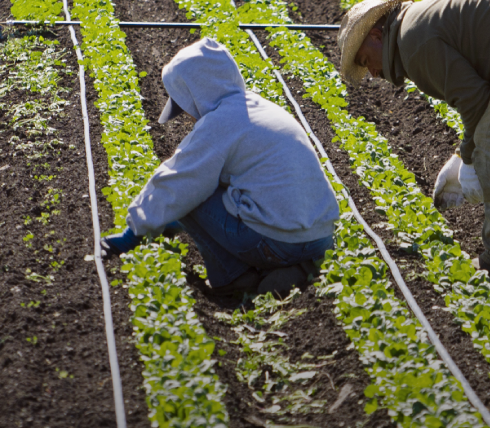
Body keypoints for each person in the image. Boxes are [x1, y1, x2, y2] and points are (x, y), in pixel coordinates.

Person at [101, 38, 340, 300]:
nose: (189, 116)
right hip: (321, 238)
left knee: (190, 194)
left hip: (277, 243)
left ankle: (234, 277)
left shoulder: (220, 124)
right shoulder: (260, 108)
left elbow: (179, 182)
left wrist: (134, 231)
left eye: (186, 106)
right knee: (211, 187)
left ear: (196, 94)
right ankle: (298, 268)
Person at [337, 0, 490, 270]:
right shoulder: (412, 27)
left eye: (364, 60)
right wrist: (462, 153)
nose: (371, 71)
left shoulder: (412, 45)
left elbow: (477, 101)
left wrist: (470, 159)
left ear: (375, 35)